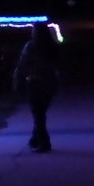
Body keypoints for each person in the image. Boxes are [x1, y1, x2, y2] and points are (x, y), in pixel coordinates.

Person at [14, 22, 63, 153]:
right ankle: (35, 139)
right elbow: (59, 64)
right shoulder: (53, 47)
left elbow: (23, 64)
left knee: (38, 113)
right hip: (51, 82)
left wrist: (18, 79)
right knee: (40, 112)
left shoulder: (31, 46)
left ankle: (44, 142)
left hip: (35, 82)